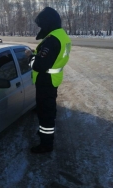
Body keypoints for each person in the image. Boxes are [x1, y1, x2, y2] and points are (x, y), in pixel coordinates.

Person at [29, 7, 71, 154]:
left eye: (42, 24)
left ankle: (46, 145)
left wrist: (31, 58)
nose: (40, 28)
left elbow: (40, 65)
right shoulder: (62, 35)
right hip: (52, 79)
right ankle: (45, 137)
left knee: (45, 114)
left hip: (46, 81)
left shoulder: (51, 40)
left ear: (48, 23)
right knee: (48, 110)